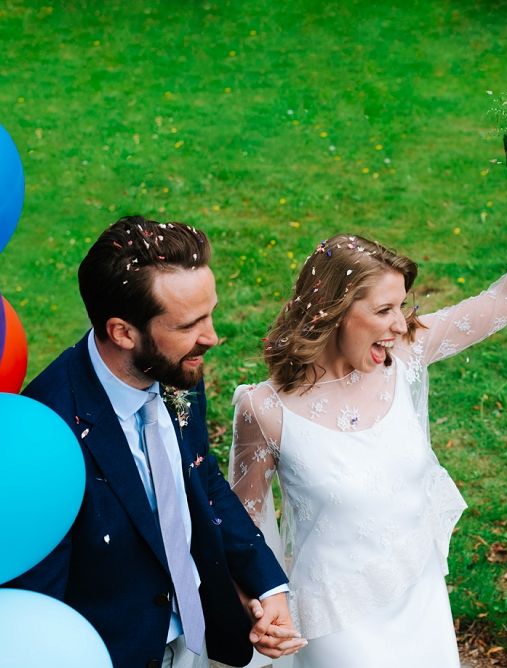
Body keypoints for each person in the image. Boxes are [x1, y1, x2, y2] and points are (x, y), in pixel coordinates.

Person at [228, 168, 507, 667]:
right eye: (383, 310)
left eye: (402, 307)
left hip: (419, 594)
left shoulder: (406, 351)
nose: (399, 324)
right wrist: (261, 605)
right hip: (337, 620)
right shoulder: (265, 410)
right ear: (332, 313)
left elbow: (506, 298)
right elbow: (241, 527)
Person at [7, 217, 307, 667]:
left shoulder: (175, 368)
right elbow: (39, 603)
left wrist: (265, 584)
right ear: (123, 332)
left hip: (192, 638)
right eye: (190, 324)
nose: (211, 337)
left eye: (210, 312)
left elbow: (199, 476)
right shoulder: (44, 440)